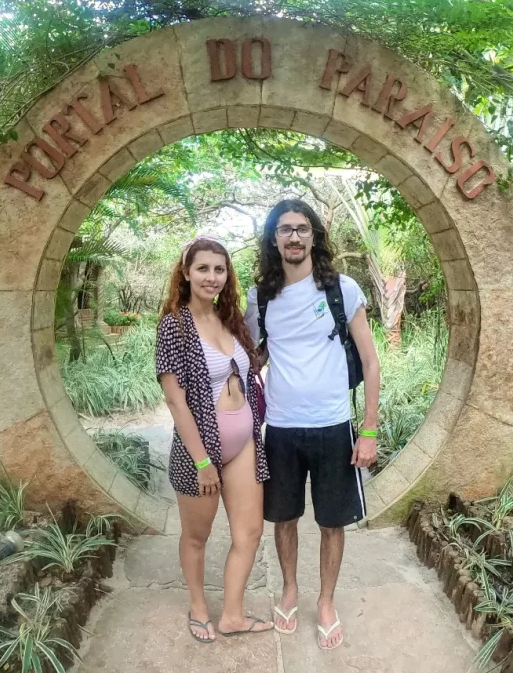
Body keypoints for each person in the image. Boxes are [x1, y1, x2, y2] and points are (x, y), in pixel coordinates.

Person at [244, 200, 381, 651]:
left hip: (333, 425)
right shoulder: (259, 295)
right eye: (285, 230)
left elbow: (370, 360)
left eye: (302, 229)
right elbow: (256, 353)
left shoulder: (342, 289)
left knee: (331, 523)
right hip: (281, 428)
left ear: (314, 235)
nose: (294, 237)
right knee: (283, 518)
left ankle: (325, 601)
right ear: (274, 239)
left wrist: (369, 429)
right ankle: (289, 589)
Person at [155, 235, 274, 643]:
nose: (211, 277)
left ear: (227, 275)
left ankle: (233, 616)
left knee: (250, 533)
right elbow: (175, 400)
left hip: (243, 445)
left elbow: (249, 364)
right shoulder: (175, 326)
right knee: (196, 537)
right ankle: (199, 608)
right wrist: (203, 462)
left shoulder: (230, 319)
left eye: (219, 269)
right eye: (202, 268)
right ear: (185, 273)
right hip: (199, 453)